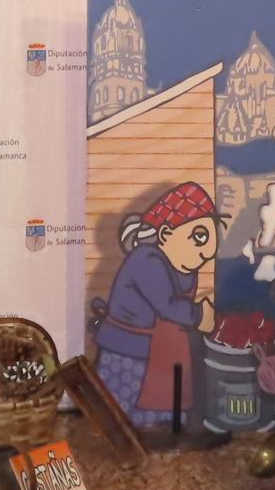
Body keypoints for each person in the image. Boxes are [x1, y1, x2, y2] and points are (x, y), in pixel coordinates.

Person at [92, 181, 222, 427]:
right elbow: (168, 306)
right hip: (128, 349)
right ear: (165, 234)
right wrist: (199, 315)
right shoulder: (146, 259)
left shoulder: (184, 267)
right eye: (200, 237)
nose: (207, 251)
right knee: (118, 410)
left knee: (160, 412)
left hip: (161, 352)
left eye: (212, 236)